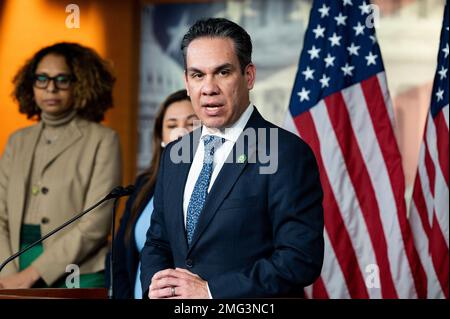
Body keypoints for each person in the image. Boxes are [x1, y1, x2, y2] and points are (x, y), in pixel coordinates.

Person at [140, 18, 324, 299]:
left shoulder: (285, 153)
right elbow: (157, 242)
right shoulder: (175, 155)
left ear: (248, 76)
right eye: (198, 75)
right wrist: (158, 287)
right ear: (187, 83)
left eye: (222, 72)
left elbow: (300, 259)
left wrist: (210, 292)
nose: (209, 87)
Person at [0, 42, 122, 289]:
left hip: (78, 272)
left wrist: (32, 275)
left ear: (81, 83)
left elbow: (94, 225)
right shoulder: (17, 141)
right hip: (12, 265)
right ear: (30, 84)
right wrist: (7, 273)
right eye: (42, 79)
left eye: (62, 79)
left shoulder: (103, 140)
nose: (51, 88)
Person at [107, 89, 198, 299]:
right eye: (172, 125)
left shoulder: (212, 187)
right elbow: (120, 256)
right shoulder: (143, 185)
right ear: (161, 136)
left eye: (192, 124)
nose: (181, 132)